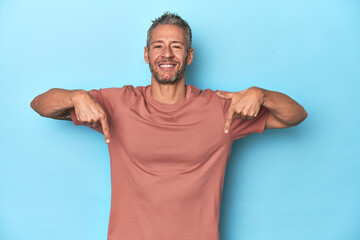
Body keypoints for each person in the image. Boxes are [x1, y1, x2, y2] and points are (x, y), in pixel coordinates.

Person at [30, 12, 307, 240]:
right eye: (158, 46)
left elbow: (296, 115)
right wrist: (75, 96)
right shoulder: (117, 104)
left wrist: (262, 94)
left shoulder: (221, 108)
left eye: (176, 46)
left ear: (189, 56)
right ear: (146, 55)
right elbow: (40, 105)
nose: (167, 54)